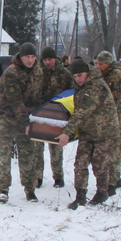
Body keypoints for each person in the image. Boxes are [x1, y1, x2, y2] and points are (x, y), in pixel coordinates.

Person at [55, 59, 120, 208]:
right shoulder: (82, 86)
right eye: (75, 76)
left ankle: (102, 192)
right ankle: (80, 195)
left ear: (87, 73)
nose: (77, 79)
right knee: (80, 163)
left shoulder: (96, 86)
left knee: (100, 164)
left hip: (104, 132)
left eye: (80, 75)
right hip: (88, 131)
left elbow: (82, 111)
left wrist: (67, 132)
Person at [0, 42, 44, 203]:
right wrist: (26, 122)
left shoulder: (38, 72)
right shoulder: (11, 73)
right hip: (4, 116)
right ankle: (3, 189)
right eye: (27, 57)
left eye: (33, 57)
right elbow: (14, 101)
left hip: (26, 117)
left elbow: (38, 97)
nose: (30, 60)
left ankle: (30, 189)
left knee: (28, 153)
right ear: (20, 57)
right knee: (4, 153)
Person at [94, 52, 121, 195]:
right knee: (111, 151)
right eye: (96, 64)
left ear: (108, 63)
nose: (98, 66)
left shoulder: (116, 76)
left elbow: (109, 97)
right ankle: (116, 179)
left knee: (114, 152)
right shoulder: (108, 74)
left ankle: (111, 184)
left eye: (100, 64)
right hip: (115, 119)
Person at [40, 46, 74, 188]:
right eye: (45, 59)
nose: (47, 62)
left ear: (55, 59)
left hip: (57, 113)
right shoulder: (39, 73)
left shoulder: (65, 74)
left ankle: (58, 177)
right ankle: (37, 177)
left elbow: (71, 91)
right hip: (40, 112)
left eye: (50, 59)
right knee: (37, 146)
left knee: (56, 148)